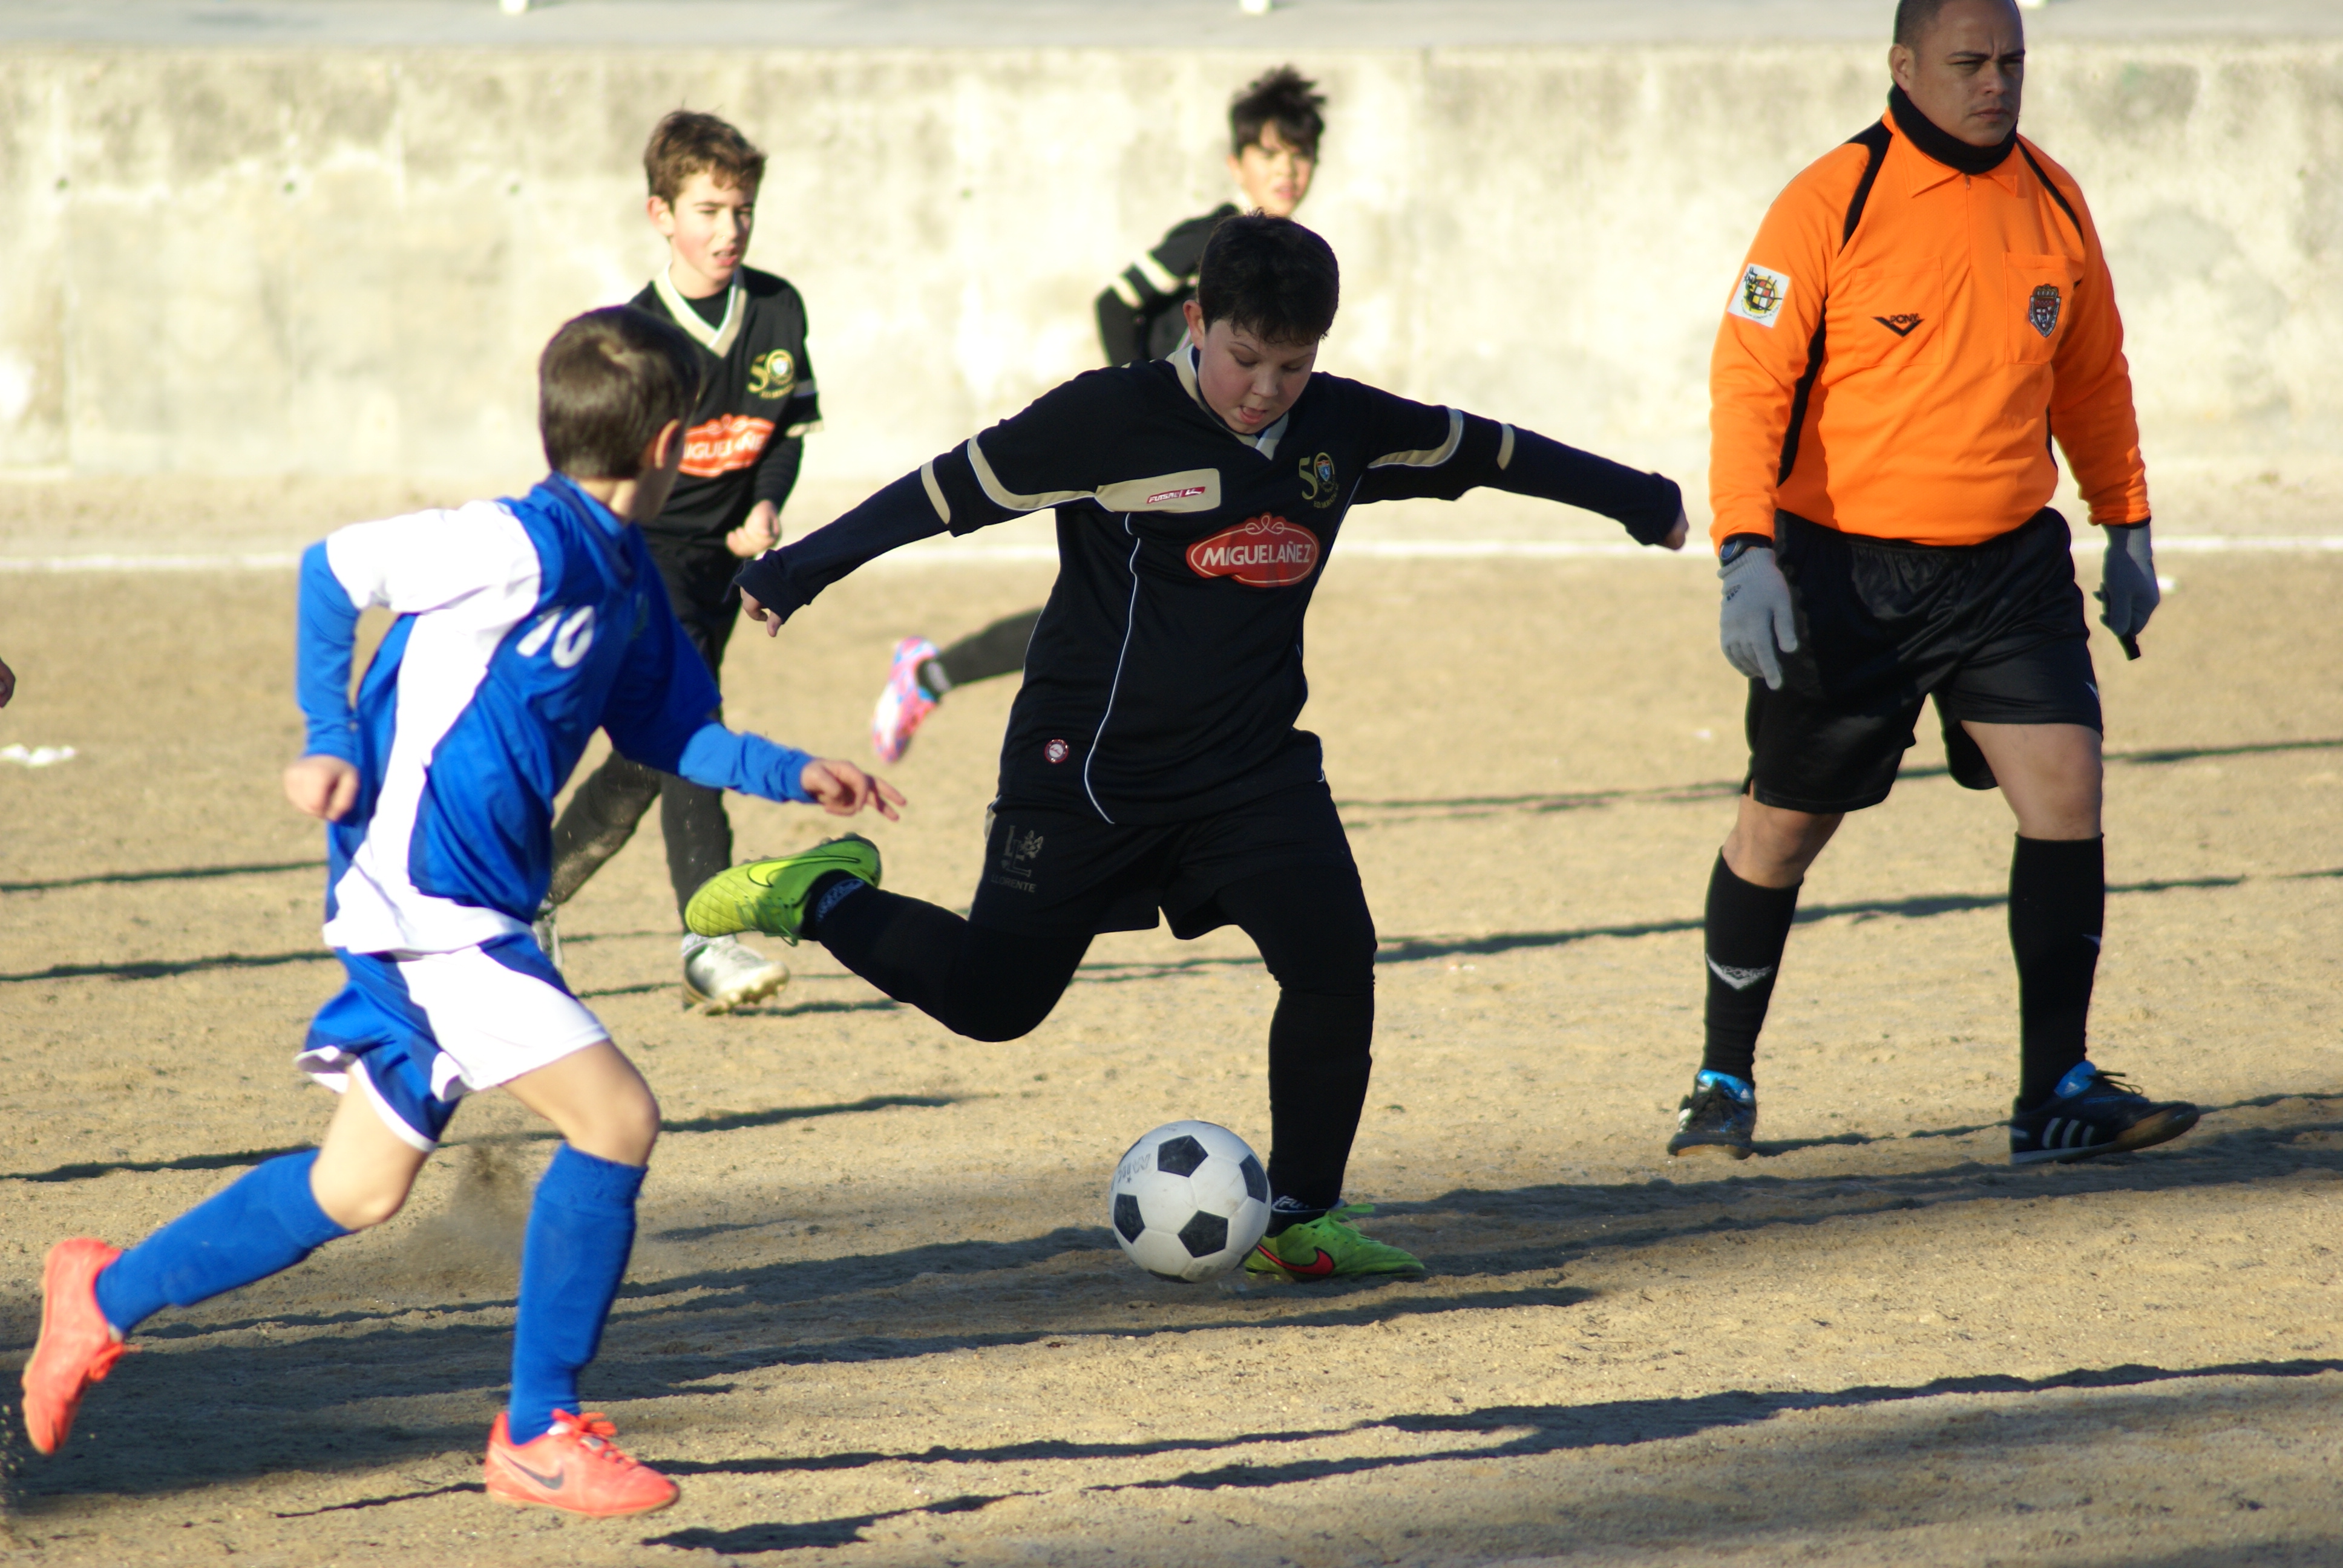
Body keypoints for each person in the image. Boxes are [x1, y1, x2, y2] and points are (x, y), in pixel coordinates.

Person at [18, 307, 899, 1516]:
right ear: (671, 442)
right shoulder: (510, 542)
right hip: (424, 897)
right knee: (618, 1117)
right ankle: (539, 1426)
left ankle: (100, 1297)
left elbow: (662, 730)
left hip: (469, 899)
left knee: (357, 1192)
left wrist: (788, 771)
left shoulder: (628, 573)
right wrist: (331, 735)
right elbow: (333, 568)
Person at [699, 215, 1688, 1279]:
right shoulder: (1106, 419)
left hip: (1250, 772)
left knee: (1331, 960)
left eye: (1293, 364)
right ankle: (820, 893)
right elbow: (942, 491)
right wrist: (797, 568)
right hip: (1086, 772)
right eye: (1244, 358)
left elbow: (1486, 449)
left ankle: (1302, 1213)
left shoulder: (1338, 430)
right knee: (994, 1003)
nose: (1266, 387)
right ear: (1195, 320)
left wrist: (1637, 499)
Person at [1670, 0, 2196, 1166]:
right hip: (1844, 573)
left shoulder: (2054, 202)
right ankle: (1721, 1075)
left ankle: (2053, 1088)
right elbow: (1748, 382)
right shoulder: (1831, 201)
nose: (1995, 83)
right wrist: (1744, 550)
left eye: (2011, 61)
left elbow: (2093, 375)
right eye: (1969, 62)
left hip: (2008, 564)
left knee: (2065, 788)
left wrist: (2127, 525)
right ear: (1902, 65)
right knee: (1781, 831)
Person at [869, 66, 1328, 764]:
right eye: (1270, 153)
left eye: (1300, 156)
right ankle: (933, 676)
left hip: (1218, 467)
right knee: (1110, 615)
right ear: (1237, 162)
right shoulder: (1209, 241)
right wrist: (1139, 414)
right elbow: (1114, 303)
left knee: (1173, 611)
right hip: (1157, 464)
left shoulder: (1292, 265)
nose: (1287, 171)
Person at [536, 110, 825, 1014]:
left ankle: (528, 898)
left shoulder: (778, 309)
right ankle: (710, 936)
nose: (728, 230)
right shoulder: (637, 336)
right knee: (692, 730)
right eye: (707, 210)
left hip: (720, 568)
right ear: (661, 215)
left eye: (741, 210)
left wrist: (766, 504)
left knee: (653, 753)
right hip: (646, 560)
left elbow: (786, 434)